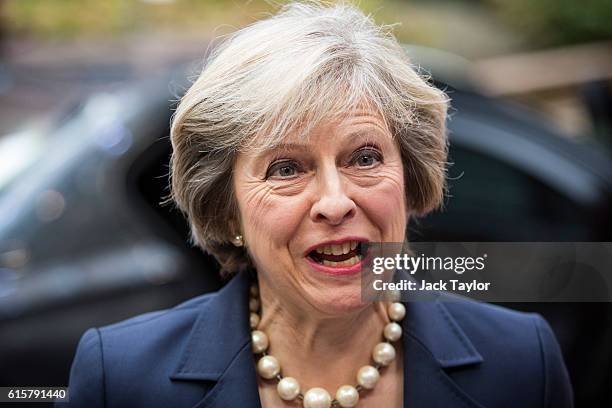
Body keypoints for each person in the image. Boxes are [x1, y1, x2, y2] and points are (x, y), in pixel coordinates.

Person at [60, 2, 573, 407]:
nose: (334, 201)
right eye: (286, 168)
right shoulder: (120, 376)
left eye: (364, 157)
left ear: (410, 177)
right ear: (225, 209)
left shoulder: (523, 361)